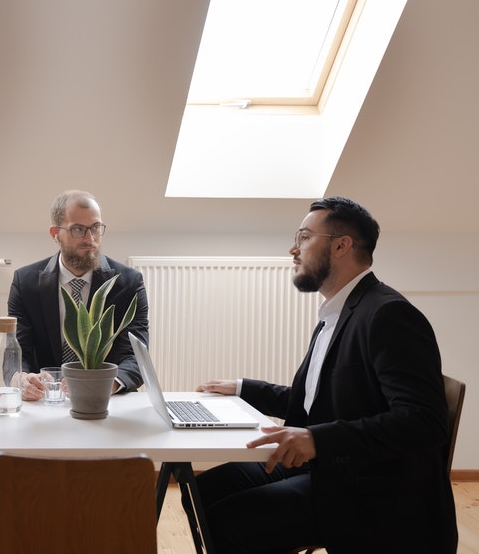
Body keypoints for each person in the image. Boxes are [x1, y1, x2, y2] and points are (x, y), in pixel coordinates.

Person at [193, 196, 457, 553]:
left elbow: (424, 421)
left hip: (373, 491)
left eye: (303, 237)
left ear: (341, 245)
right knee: (202, 491)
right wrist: (242, 388)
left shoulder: (388, 315)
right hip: (334, 465)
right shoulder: (338, 313)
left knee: (228, 522)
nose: (293, 248)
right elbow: (319, 402)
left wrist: (317, 440)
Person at [7, 190, 149, 400]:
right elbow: (17, 352)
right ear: (55, 233)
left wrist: (107, 384)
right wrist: (21, 379)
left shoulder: (129, 283)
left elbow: (136, 357)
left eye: (95, 228)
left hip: (105, 400)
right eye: (77, 230)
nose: (90, 238)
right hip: (46, 400)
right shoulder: (25, 282)